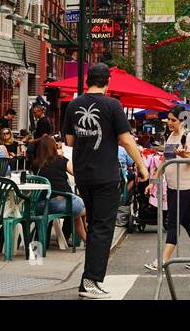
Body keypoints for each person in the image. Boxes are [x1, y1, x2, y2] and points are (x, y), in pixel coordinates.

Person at [62, 63, 149, 298]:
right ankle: (90, 282)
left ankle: (88, 280)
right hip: (105, 174)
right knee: (102, 228)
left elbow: (69, 141)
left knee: (94, 226)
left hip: (82, 174)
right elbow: (127, 140)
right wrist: (141, 167)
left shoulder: (73, 105)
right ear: (107, 82)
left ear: (87, 81)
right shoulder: (112, 105)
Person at [146, 105, 190, 273]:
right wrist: (153, 181)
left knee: (173, 221)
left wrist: (183, 156)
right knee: (186, 221)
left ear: (182, 121)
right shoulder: (170, 137)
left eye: (173, 120)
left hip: (186, 186)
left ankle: (162, 260)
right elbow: (164, 161)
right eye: (169, 119)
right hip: (173, 185)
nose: (170, 123)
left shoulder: (188, 137)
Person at [31, 135, 88, 243]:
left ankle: (85, 239)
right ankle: (76, 238)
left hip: (42, 204)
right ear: (54, 147)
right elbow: (77, 173)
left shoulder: (36, 164)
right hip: (62, 201)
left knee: (75, 213)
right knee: (83, 208)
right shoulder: (61, 160)